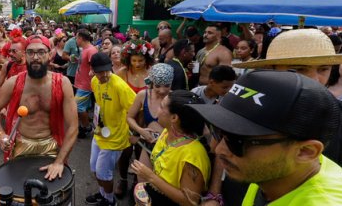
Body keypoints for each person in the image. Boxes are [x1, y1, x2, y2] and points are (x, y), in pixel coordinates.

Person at [187, 71, 342, 205]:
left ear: (306, 151)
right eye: (218, 132)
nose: (219, 149)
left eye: (238, 141)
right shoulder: (272, 176)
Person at [232, 28, 342, 164]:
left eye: (323, 69)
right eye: (300, 69)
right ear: (272, 69)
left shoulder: (337, 113)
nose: (315, 79)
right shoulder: (248, 106)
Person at [0, 35, 78, 178]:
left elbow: (73, 126)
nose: (35, 57)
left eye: (41, 52)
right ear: (25, 55)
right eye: (30, 52)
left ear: (50, 55)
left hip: (52, 144)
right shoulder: (13, 82)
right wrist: (1, 134)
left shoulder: (63, 83)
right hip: (21, 144)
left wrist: (60, 161)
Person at [130, 90, 211, 205]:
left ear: (174, 118)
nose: (157, 109)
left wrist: (151, 177)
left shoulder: (193, 156)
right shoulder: (166, 133)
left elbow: (189, 201)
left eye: (162, 106)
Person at [85, 52, 136, 206]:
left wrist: (134, 131)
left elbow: (136, 107)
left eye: (107, 70)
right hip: (99, 132)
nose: (104, 74)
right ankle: (103, 194)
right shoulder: (94, 81)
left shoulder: (119, 85)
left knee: (103, 173)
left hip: (115, 137)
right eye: (100, 71)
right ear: (93, 70)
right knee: (94, 169)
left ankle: (109, 200)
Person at [125, 63, 173, 190]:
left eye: (167, 86)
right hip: (147, 145)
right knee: (142, 183)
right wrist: (140, 131)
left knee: (162, 185)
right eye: (157, 86)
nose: (162, 91)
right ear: (151, 82)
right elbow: (129, 117)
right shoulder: (143, 95)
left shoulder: (175, 98)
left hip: (168, 149)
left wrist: (165, 138)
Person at [74, 29, 98, 139]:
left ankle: (87, 127)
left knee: (78, 107)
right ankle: (85, 126)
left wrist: (92, 71)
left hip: (86, 85)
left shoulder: (91, 50)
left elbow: (94, 67)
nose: (75, 40)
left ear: (81, 38)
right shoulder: (84, 49)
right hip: (81, 83)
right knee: (83, 107)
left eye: (76, 38)